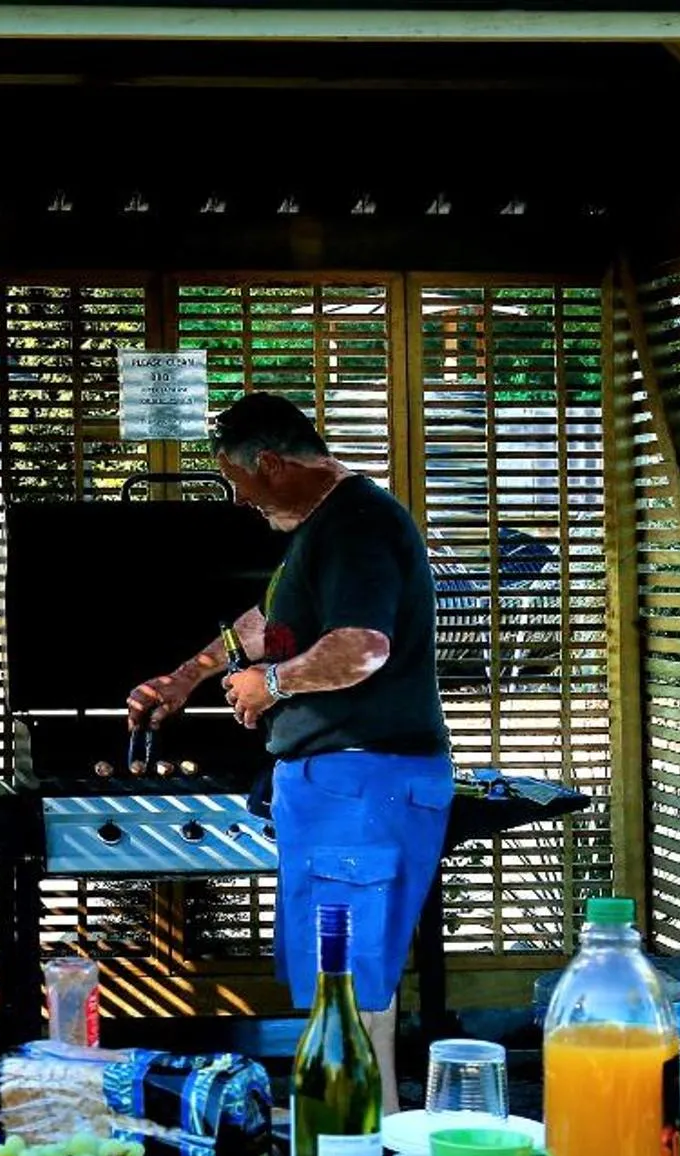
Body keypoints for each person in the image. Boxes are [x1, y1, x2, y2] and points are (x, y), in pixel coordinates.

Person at [127, 393, 451, 1109]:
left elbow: (362, 648)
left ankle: (356, 1139)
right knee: (340, 976)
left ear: (270, 463)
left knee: (351, 981)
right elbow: (267, 623)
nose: (240, 501)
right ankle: (344, 1129)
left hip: (365, 781)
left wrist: (270, 684)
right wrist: (186, 676)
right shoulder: (322, 532)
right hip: (339, 787)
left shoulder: (357, 524)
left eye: (239, 482)